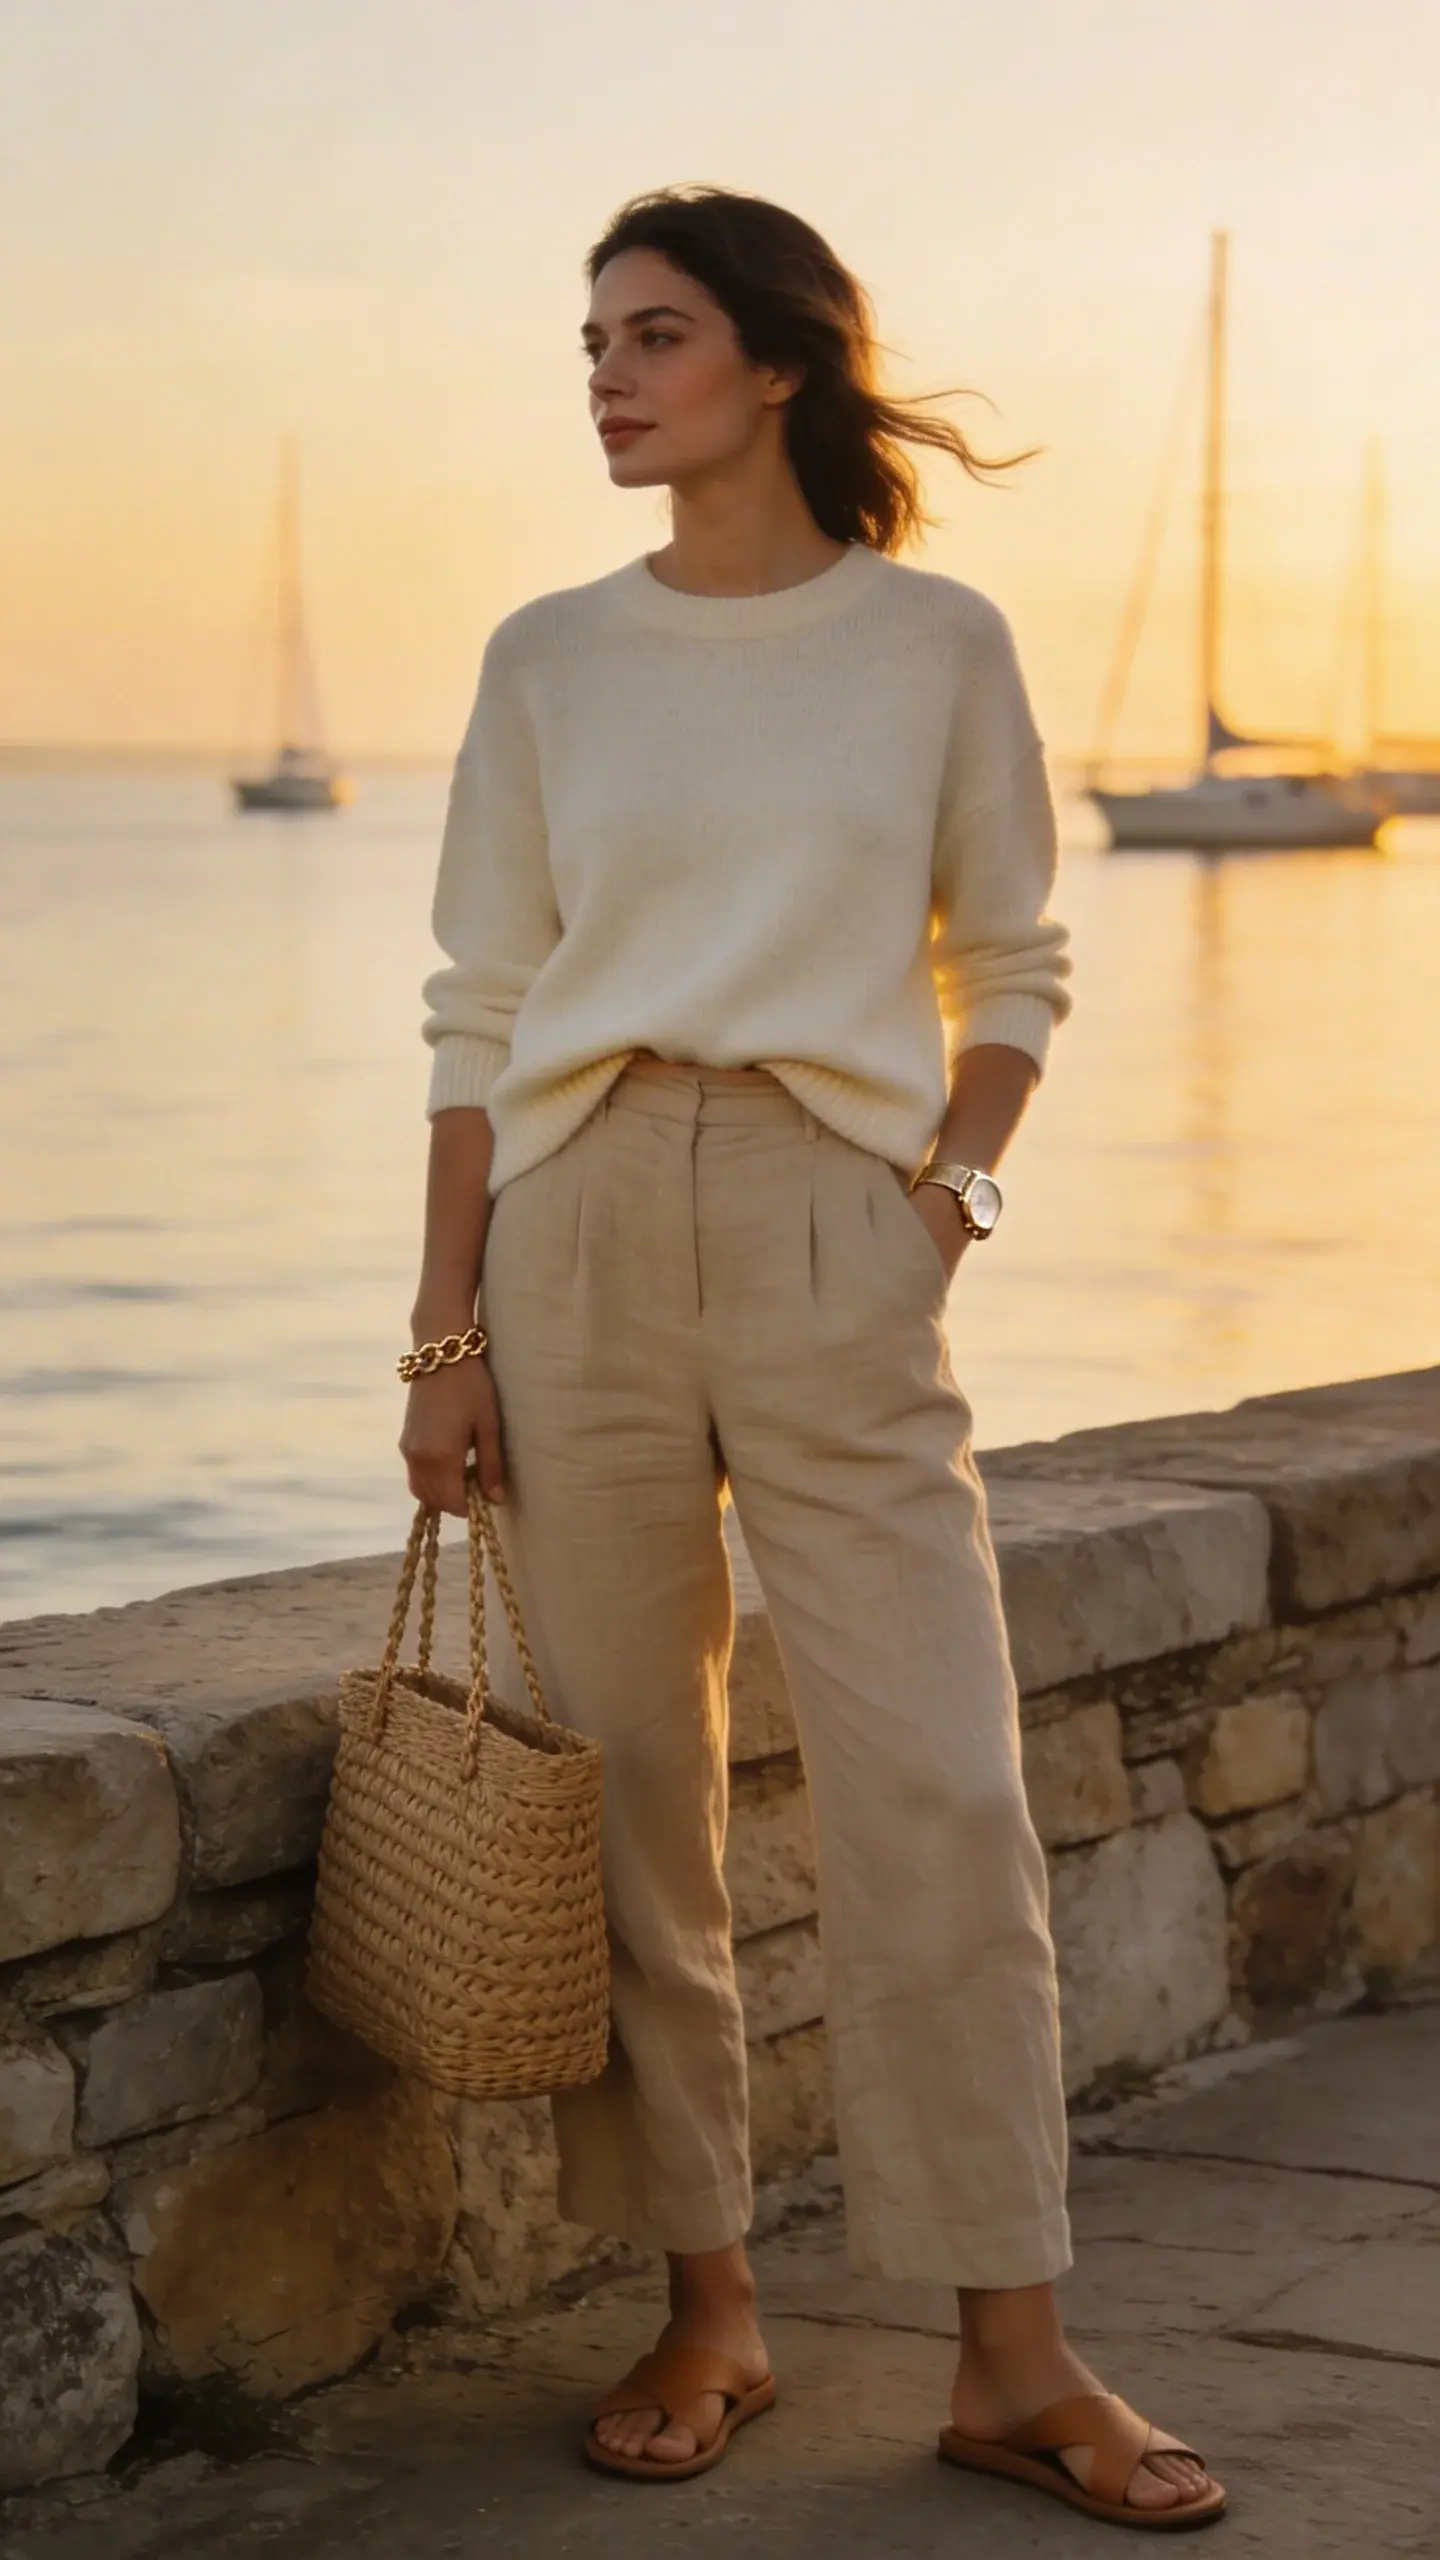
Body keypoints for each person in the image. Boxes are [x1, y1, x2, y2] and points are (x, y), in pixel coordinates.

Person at [400, 184, 1225, 2531]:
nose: (606, 375)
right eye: (590, 342)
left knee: (941, 1790)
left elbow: (1020, 970)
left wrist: (937, 1218)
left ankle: (1015, 2349)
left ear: (779, 362)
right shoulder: (546, 655)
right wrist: (445, 1326)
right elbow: (476, 1011)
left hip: (835, 1220)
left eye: (653, 334)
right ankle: (708, 2297)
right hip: (571, 1226)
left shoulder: (934, 641)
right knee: (634, 1803)